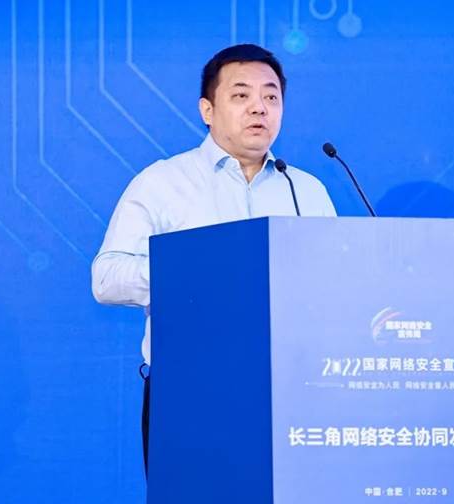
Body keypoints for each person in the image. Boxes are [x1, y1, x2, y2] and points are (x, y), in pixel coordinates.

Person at [90, 43, 336, 476]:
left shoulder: (306, 190)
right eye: (241, 95)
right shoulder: (163, 182)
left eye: (271, 96)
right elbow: (106, 279)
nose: (259, 108)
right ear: (207, 110)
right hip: (191, 391)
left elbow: (337, 284)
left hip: (294, 392)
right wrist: (193, 270)